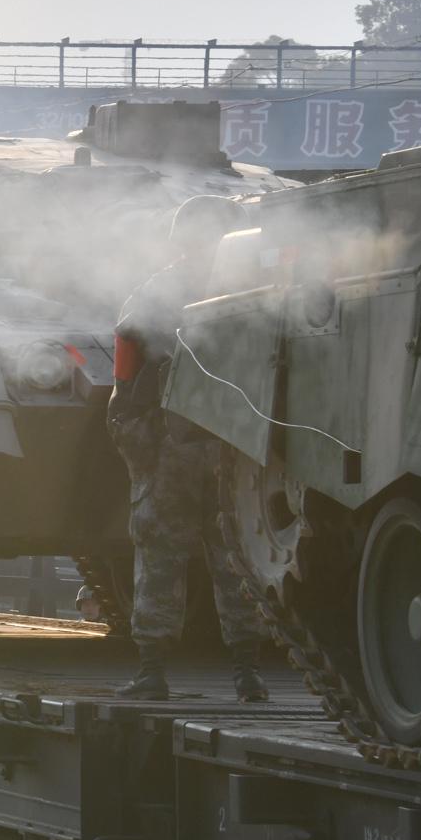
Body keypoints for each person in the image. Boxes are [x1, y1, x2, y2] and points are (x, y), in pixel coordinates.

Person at [109, 195, 268, 703]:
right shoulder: (255, 292)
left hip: (171, 442)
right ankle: (247, 673)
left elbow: (127, 376)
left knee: (160, 555)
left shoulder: (155, 292)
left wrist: (135, 443)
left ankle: (152, 671)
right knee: (237, 557)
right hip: (236, 446)